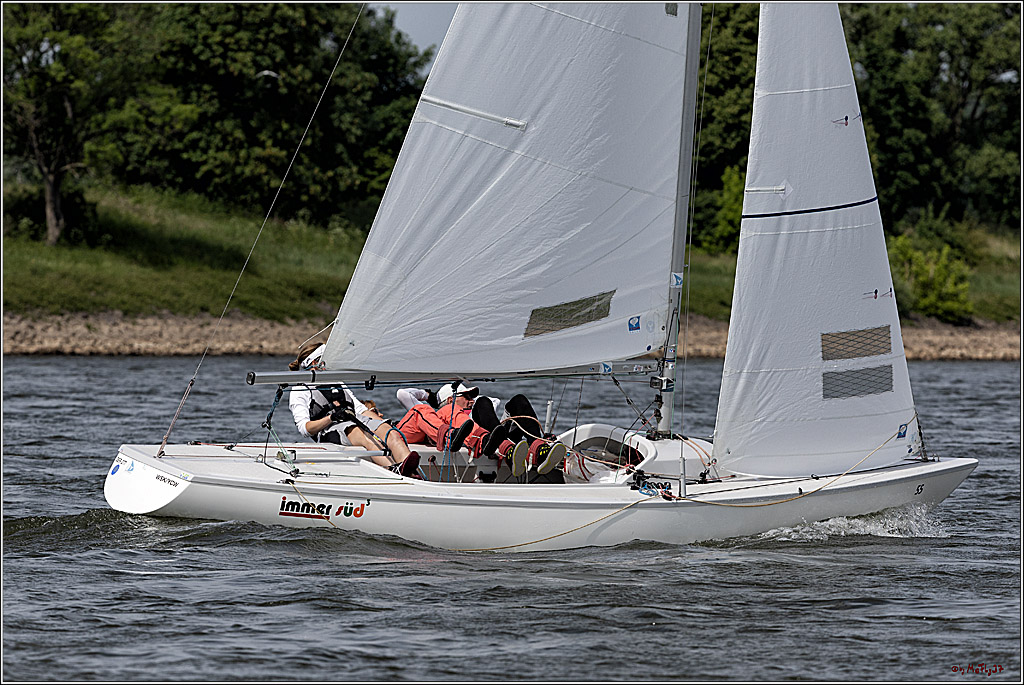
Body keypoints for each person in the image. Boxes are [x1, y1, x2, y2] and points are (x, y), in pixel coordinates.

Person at [288, 342, 421, 477]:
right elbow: (305, 429)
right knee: (359, 433)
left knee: (390, 432)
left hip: (353, 419)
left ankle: (411, 473)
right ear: (315, 362)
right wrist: (331, 418)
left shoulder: (337, 382)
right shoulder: (299, 391)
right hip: (329, 429)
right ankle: (392, 470)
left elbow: (360, 409)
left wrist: (383, 423)